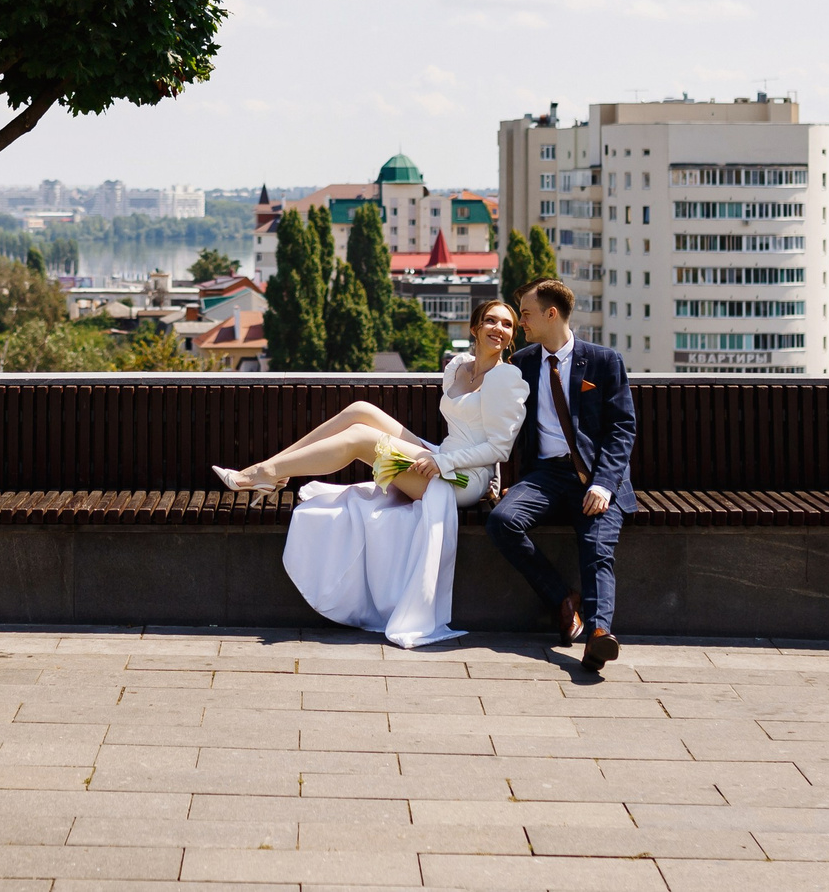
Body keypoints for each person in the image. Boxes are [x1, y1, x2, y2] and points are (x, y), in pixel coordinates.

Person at [212, 302, 527, 647]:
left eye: (507, 325)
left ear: (512, 336)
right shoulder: (458, 367)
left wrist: (445, 465)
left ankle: (263, 472)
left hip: (463, 479)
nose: (499, 328)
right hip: (441, 455)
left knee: (363, 440)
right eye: (490, 321)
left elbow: (499, 449)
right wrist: (438, 457)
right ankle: (276, 469)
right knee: (360, 411)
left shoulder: (506, 379)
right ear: (474, 328)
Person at [489, 277, 636, 672]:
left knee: (596, 548)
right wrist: (497, 479)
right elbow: (500, 426)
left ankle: (600, 635)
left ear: (551, 314)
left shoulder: (604, 362)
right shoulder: (522, 364)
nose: (521, 322)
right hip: (546, 477)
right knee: (502, 521)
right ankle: (562, 598)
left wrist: (604, 483)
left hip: (595, 477)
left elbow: (623, 428)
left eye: (525, 314)